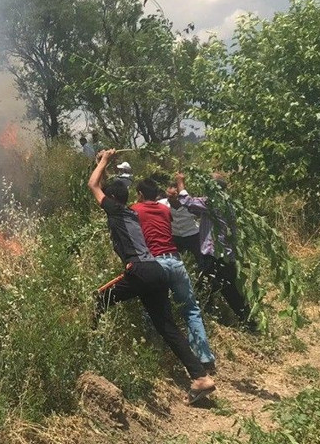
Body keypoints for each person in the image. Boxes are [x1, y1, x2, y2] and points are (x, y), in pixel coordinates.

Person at [88, 150, 215, 403]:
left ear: (112, 200)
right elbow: (106, 188)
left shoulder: (119, 211)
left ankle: (91, 347)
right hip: (155, 271)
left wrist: (103, 161)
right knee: (167, 327)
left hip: (141, 270)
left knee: (97, 300)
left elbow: (93, 185)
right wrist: (104, 163)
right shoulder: (132, 213)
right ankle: (200, 376)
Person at [132, 178, 216, 373]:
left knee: (153, 311)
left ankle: (156, 357)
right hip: (176, 261)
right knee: (191, 310)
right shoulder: (164, 210)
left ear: (141, 195)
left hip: (155, 264)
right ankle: (205, 358)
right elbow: (174, 212)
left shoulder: (136, 209)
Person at [175, 173, 256, 331]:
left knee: (205, 287)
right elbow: (198, 211)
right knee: (228, 289)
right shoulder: (227, 202)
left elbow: (188, 202)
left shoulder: (214, 202)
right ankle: (247, 321)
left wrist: (180, 183)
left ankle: (206, 322)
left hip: (213, 254)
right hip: (226, 253)